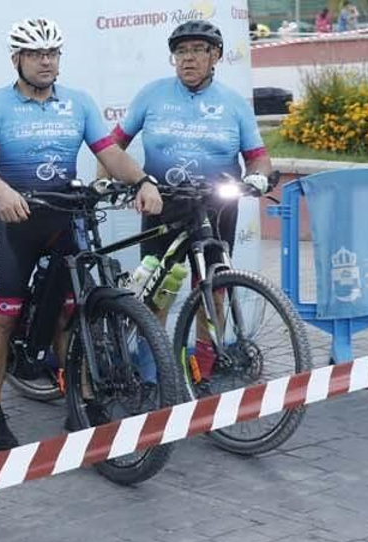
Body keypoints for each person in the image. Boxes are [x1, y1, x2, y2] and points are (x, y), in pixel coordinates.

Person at [0, 18, 163, 451]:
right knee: (3, 315)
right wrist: (1, 190)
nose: (46, 62)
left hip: (64, 217)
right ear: (17, 59)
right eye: (36, 54)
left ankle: (82, 398)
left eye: (52, 53)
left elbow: (110, 153)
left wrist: (142, 181)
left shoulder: (78, 103)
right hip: (13, 220)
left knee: (71, 311)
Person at [110, 20, 272, 381]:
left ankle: (204, 368)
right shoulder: (152, 95)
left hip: (216, 208)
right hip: (163, 205)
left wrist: (257, 176)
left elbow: (259, 157)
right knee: (158, 291)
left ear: (216, 55)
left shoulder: (234, 104)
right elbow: (112, 145)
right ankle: (152, 371)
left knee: (213, 290)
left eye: (198, 50)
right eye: (181, 51)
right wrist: (108, 181)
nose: (188, 58)